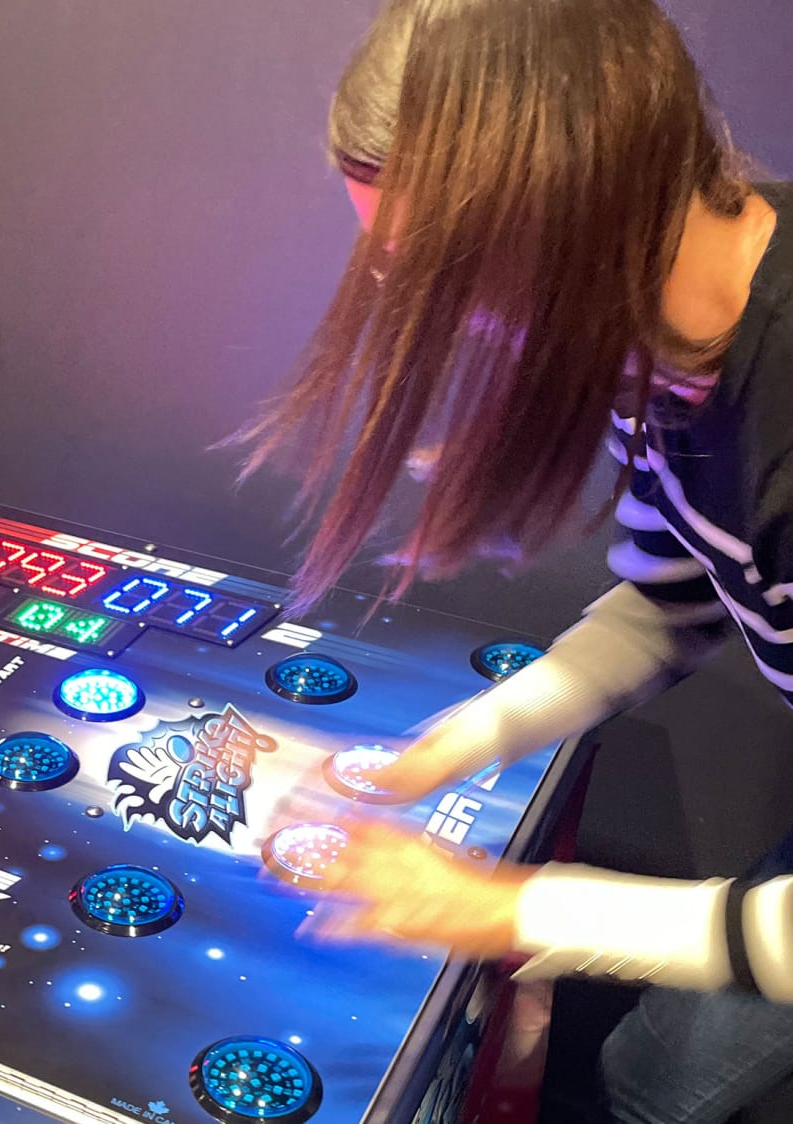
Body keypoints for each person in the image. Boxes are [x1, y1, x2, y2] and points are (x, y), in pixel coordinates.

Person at [232, 1, 793, 1121]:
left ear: (581, 212)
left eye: (456, 280)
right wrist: (452, 745)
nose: (454, 323)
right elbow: (676, 596)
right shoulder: (666, 335)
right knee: (653, 1076)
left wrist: (514, 907)